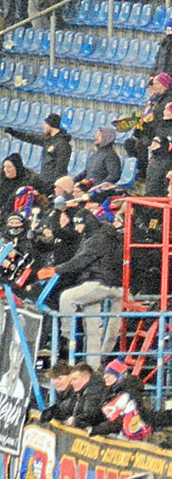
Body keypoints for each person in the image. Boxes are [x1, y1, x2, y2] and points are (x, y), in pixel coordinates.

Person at [47, 209, 122, 365]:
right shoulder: (91, 235)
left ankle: (67, 336)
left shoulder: (100, 237)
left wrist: (56, 269)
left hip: (103, 282)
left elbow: (82, 259)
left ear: (87, 223)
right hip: (95, 281)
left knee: (67, 297)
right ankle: (93, 366)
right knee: (92, 327)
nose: (76, 228)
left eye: (79, 224)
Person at [5, 112, 71, 191]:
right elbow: (30, 137)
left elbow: (61, 168)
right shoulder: (48, 139)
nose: (43, 126)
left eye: (45, 123)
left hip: (51, 184)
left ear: (51, 125)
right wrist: (13, 132)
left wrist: (55, 186)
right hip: (43, 180)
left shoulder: (62, 144)